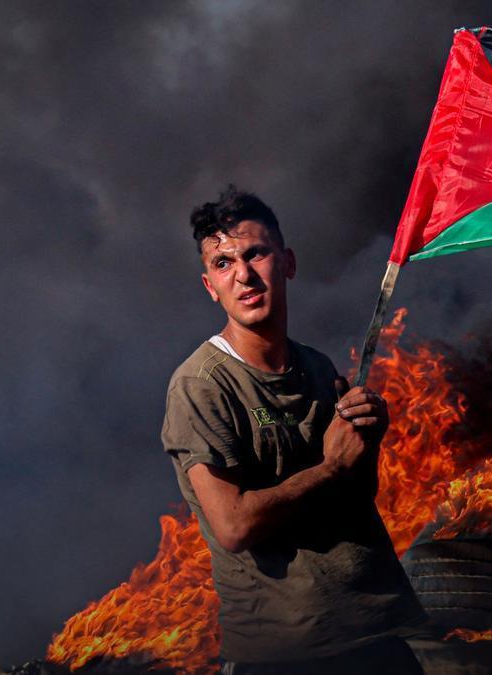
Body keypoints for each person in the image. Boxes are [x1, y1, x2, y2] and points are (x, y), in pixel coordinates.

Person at [160, 186, 427, 674]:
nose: (242, 274)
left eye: (255, 253)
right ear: (209, 285)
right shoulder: (201, 386)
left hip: (374, 634)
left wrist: (366, 443)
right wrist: (331, 466)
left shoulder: (319, 368)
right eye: (223, 264)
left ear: (287, 262)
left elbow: (355, 496)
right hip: (288, 653)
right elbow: (234, 526)